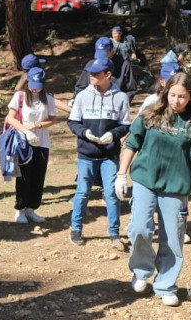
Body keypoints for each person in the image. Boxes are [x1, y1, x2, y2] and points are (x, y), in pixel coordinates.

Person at [115, 72, 191, 307]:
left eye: (182, 96)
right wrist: (122, 174)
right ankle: (141, 271)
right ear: (165, 92)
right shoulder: (152, 114)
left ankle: (165, 285)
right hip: (145, 179)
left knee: (173, 237)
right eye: (172, 95)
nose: (176, 100)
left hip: (176, 185)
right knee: (140, 227)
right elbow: (132, 142)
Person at [67, 57, 131, 250]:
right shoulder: (82, 96)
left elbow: (125, 124)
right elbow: (72, 122)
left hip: (109, 155)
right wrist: (84, 133)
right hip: (86, 154)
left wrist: (113, 134)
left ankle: (114, 234)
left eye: (96, 73)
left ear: (108, 75)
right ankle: (76, 229)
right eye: (90, 73)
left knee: (111, 193)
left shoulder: (120, 97)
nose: (91, 76)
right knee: (82, 192)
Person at [5, 67, 57, 223]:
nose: (35, 88)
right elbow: (11, 118)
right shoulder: (19, 97)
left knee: (38, 175)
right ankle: (19, 209)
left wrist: (38, 126)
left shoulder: (48, 98)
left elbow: (53, 119)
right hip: (24, 141)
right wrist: (26, 131)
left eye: (38, 85)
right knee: (24, 176)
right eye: (32, 85)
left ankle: (31, 208)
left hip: (42, 141)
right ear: (27, 83)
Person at [73, 37, 137, 100]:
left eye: (104, 54)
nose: (101, 58)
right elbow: (80, 87)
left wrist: (120, 101)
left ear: (112, 50)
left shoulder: (124, 65)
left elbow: (131, 89)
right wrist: (76, 101)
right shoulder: (91, 65)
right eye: (99, 53)